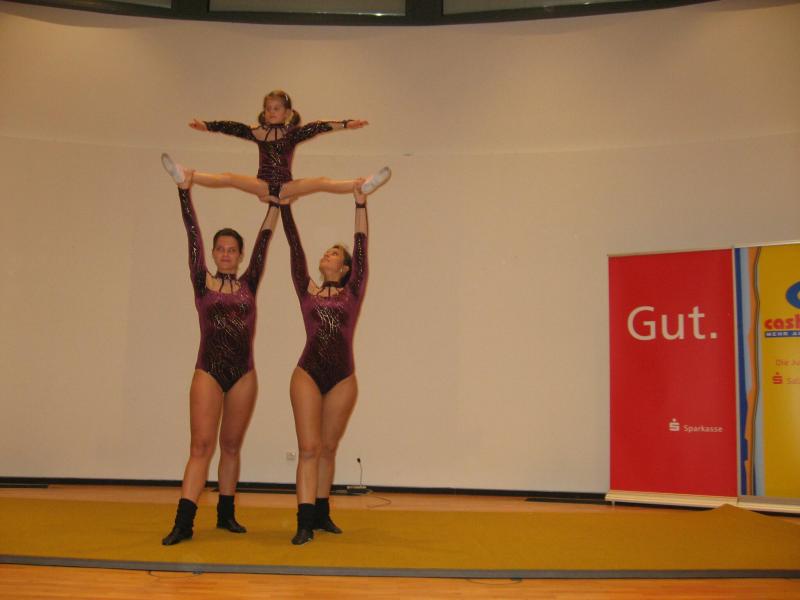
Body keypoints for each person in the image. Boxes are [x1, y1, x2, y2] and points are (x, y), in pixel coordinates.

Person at [159, 153, 280, 546]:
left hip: (244, 373)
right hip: (208, 371)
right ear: (213, 254)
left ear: (240, 256)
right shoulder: (202, 281)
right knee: (200, 446)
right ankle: (183, 522)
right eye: (221, 249)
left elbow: (265, 241)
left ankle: (226, 515)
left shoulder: (250, 282)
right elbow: (191, 233)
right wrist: (184, 190)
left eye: (232, 249)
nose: (226, 254)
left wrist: (275, 204)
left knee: (230, 446)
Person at [279, 177, 385, 545]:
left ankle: (322, 514)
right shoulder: (307, 290)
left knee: (327, 448)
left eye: (334, 254)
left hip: (342, 376)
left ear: (344, 268)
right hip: (307, 372)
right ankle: (304, 521)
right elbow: (294, 248)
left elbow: (362, 246)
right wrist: (284, 208)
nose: (326, 255)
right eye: (325, 252)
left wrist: (360, 203)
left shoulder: (353, 292)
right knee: (309, 448)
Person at [186, 89, 379, 201]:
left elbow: (318, 126)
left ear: (287, 113)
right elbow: (232, 128)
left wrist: (346, 124)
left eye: (276, 108)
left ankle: (359, 185)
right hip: (262, 185)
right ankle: (189, 175)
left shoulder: (292, 134)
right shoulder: (258, 132)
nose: (271, 112)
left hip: (286, 187)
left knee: (321, 182)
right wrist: (207, 126)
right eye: (268, 109)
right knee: (228, 177)